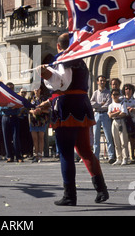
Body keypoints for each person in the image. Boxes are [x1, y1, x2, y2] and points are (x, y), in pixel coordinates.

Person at [36, 33, 108, 206]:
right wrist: (48, 100)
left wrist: (45, 74)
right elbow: (78, 86)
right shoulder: (81, 61)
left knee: (66, 152)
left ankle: (70, 195)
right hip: (81, 105)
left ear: (58, 46)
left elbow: (63, 84)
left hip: (67, 109)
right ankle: (101, 189)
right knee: (84, 150)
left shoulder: (63, 58)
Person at [90, 75, 115, 162]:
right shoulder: (95, 93)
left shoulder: (108, 93)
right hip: (96, 115)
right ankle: (96, 157)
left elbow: (108, 105)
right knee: (96, 137)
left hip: (105, 115)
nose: (102, 82)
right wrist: (100, 104)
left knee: (108, 136)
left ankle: (111, 156)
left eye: (104, 81)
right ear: (97, 82)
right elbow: (91, 103)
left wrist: (98, 105)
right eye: (101, 80)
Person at [0, 83, 23, 163]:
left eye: (12, 88)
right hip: (5, 117)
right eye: (9, 88)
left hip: (14, 117)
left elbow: (19, 106)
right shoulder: (2, 97)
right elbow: (0, 107)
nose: (10, 89)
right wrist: (10, 107)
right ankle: (9, 156)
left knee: (16, 138)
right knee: (6, 138)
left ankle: (18, 156)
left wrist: (13, 107)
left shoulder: (15, 96)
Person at [108, 89, 130, 165]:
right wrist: (117, 112)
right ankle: (118, 158)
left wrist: (114, 113)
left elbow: (124, 113)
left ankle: (125, 158)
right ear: (111, 96)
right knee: (116, 141)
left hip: (121, 121)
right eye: (114, 94)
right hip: (114, 122)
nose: (115, 96)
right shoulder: (111, 105)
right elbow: (110, 115)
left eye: (117, 94)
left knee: (123, 141)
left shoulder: (122, 103)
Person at [28, 86, 50, 163]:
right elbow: (27, 109)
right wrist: (32, 111)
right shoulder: (31, 98)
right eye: (35, 89)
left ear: (40, 90)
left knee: (41, 137)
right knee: (35, 138)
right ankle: (36, 154)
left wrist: (41, 110)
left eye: (38, 89)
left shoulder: (44, 99)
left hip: (42, 120)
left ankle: (40, 154)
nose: (36, 91)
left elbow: (49, 110)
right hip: (33, 121)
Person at [122, 84, 135, 161]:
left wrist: (133, 109)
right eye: (126, 89)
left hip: (133, 121)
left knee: (132, 138)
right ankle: (125, 155)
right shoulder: (121, 100)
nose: (128, 90)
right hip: (124, 121)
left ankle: (132, 153)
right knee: (124, 138)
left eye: (129, 89)